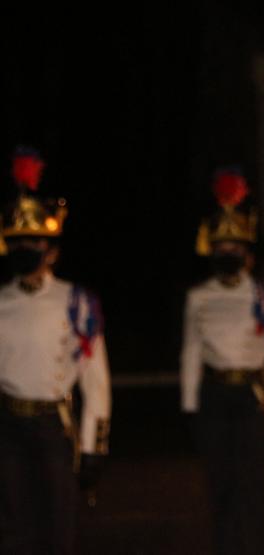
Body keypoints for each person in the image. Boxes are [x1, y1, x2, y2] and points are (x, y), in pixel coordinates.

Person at [0, 147, 111, 555]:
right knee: (13, 532)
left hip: (54, 430)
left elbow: (95, 380)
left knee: (57, 531)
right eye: (17, 241)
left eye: (33, 241)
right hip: (7, 428)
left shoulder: (76, 301)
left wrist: (92, 445)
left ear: (51, 248)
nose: (25, 248)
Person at [180, 168, 264, 555]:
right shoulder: (199, 296)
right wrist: (190, 406)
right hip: (214, 397)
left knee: (253, 485)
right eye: (221, 249)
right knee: (220, 484)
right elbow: (191, 351)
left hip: (252, 397)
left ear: (247, 253)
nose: (228, 255)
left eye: (234, 249)